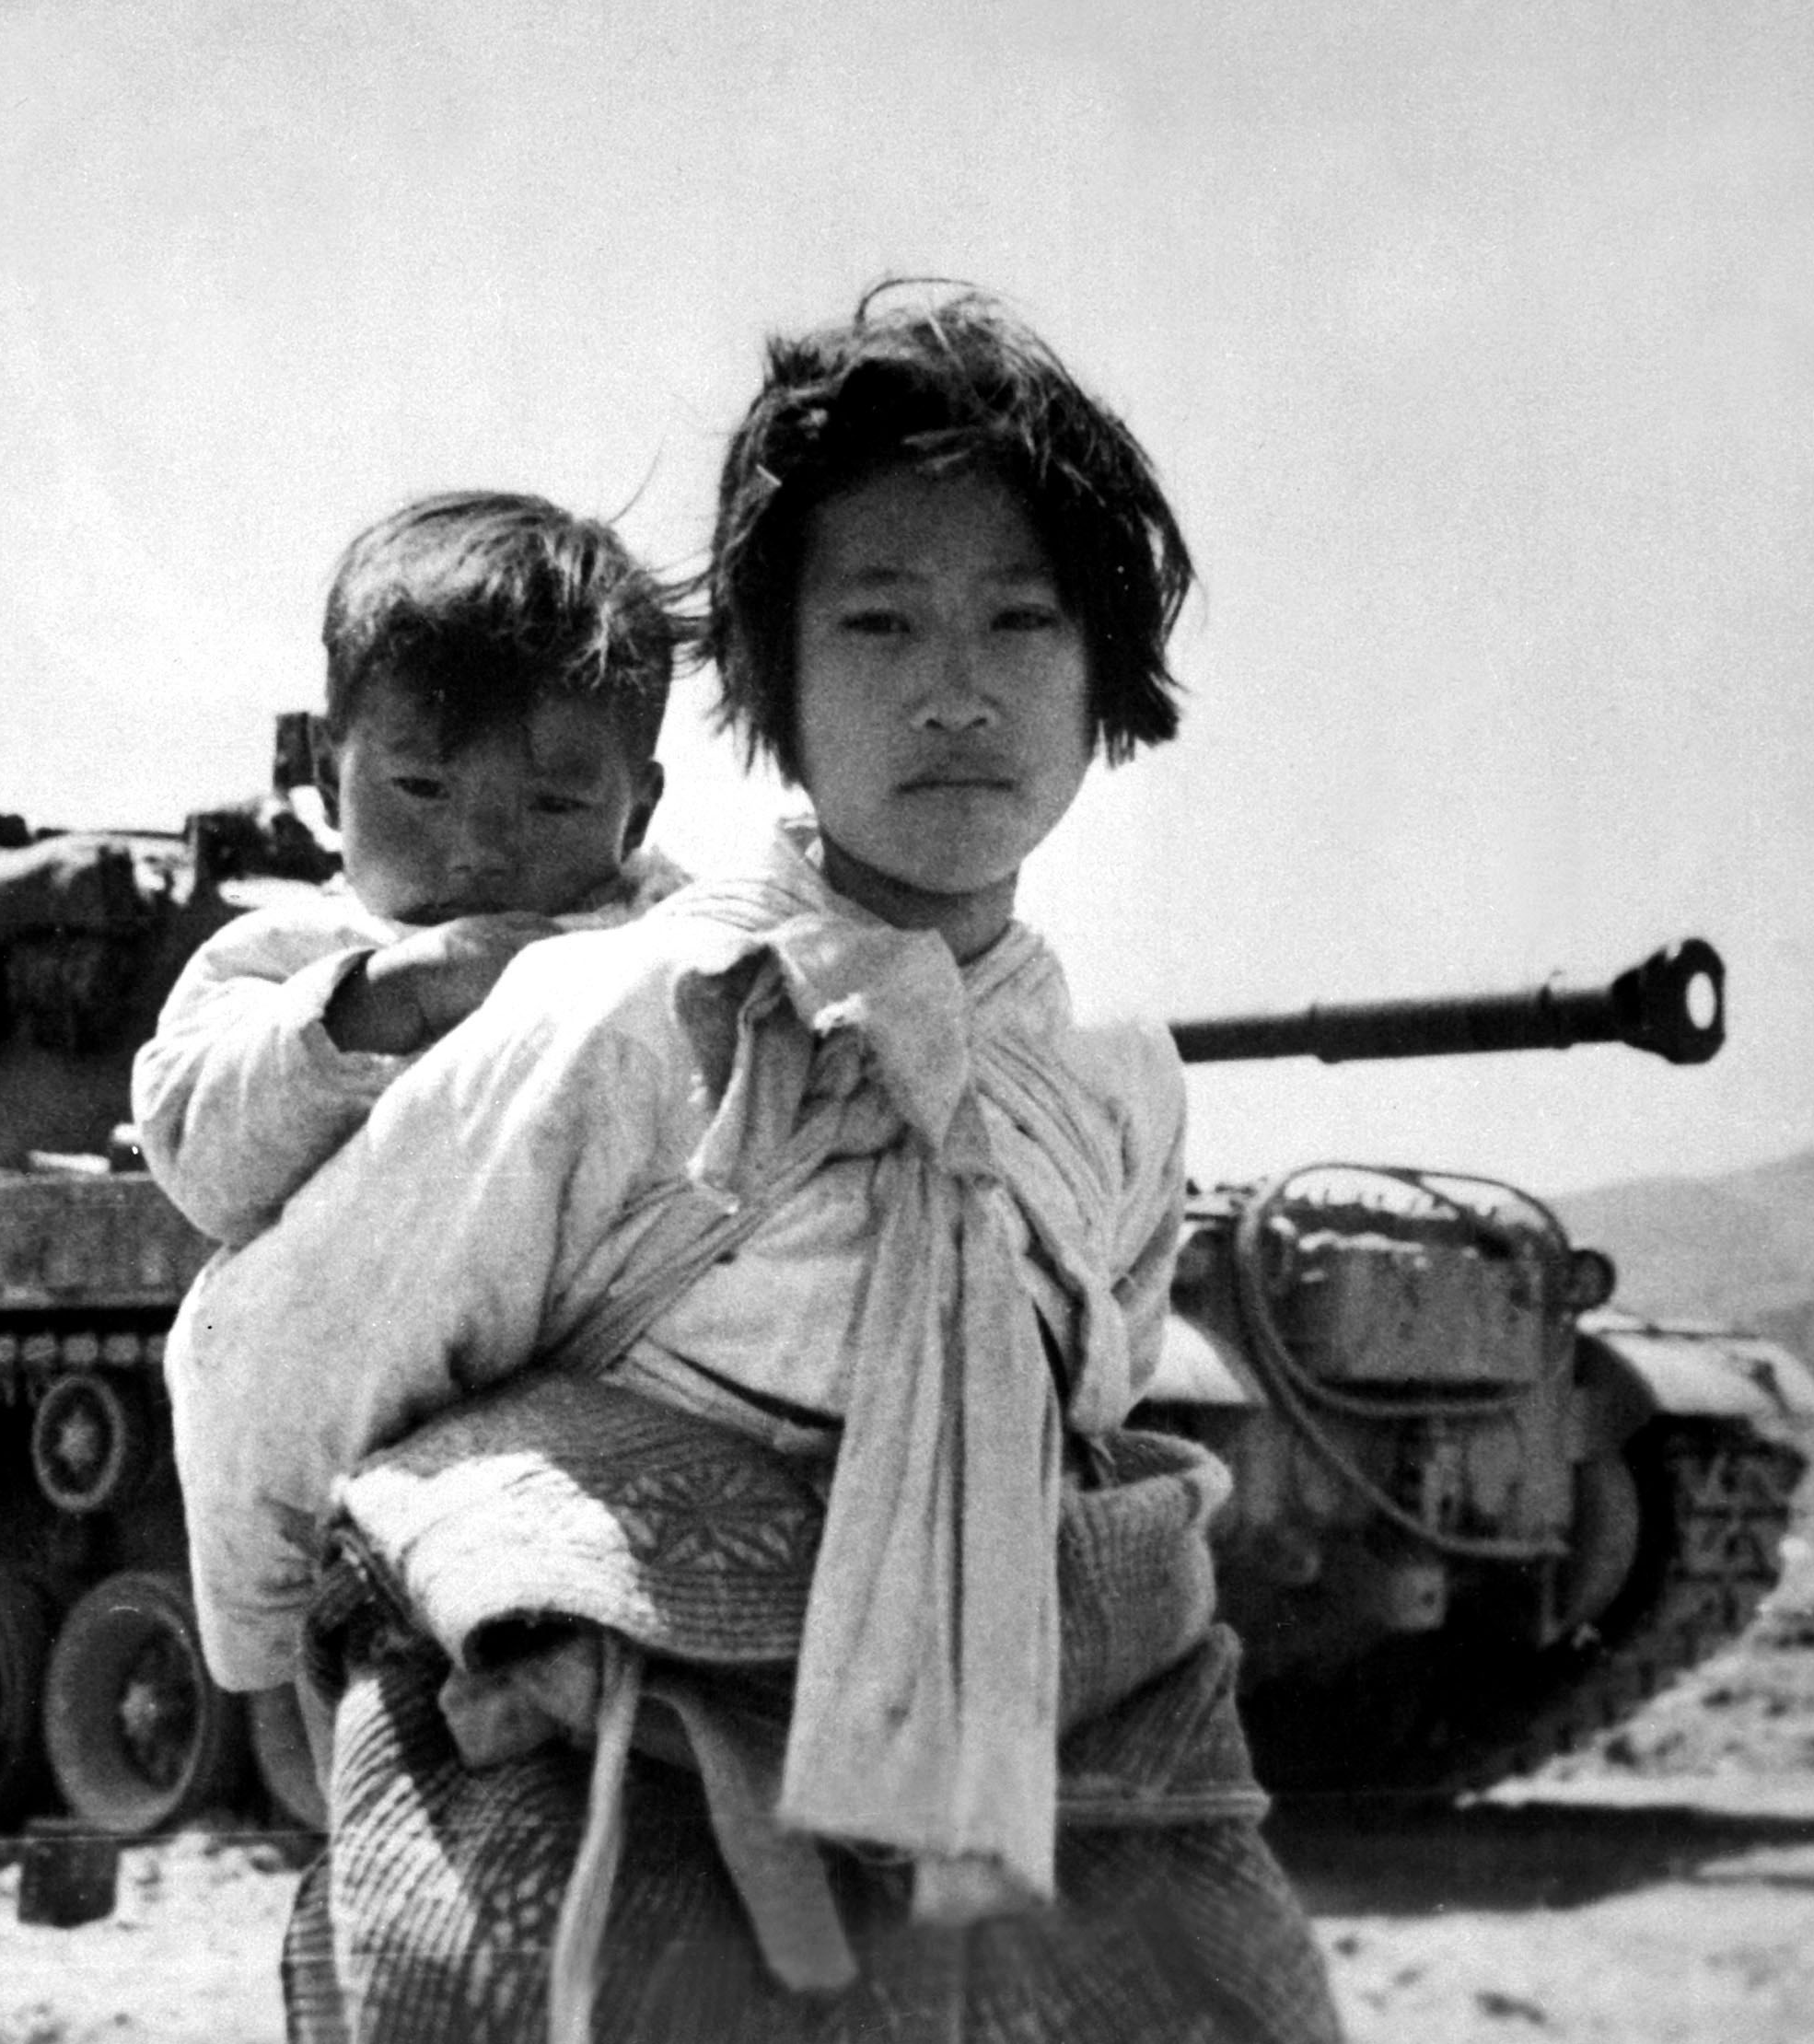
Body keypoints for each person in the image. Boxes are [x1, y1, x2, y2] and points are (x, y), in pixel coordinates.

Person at [168, 288, 1343, 2043]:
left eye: (1021, 619)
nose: (953, 689)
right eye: (875, 622)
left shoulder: (1115, 1089)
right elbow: (286, 1343)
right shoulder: (620, 1013)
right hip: (615, 1751)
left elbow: (1090, 1383)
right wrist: (266, 1657)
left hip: (1012, 1750)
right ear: (772, 691)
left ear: (1104, 686)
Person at [132, 489, 686, 1254]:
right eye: (425, 788)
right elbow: (199, 1161)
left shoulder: (676, 952)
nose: (482, 853)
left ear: (637, 814)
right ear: (329, 779)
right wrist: (383, 1001)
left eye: (552, 804)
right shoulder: (284, 961)